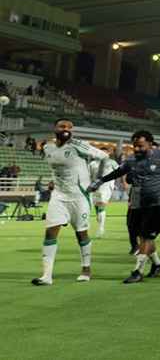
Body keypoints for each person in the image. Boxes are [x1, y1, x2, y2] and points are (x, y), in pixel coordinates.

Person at [90, 130, 160, 283]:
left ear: (149, 144)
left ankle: (138, 271)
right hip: (138, 203)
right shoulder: (131, 160)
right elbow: (117, 172)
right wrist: (100, 181)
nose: (137, 149)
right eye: (135, 146)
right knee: (142, 236)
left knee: (147, 236)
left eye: (140, 146)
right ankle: (157, 264)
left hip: (157, 204)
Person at [31, 118, 110, 286]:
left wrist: (98, 181)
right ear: (55, 128)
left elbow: (105, 157)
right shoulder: (48, 147)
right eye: (62, 126)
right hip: (58, 196)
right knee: (50, 233)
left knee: (81, 233)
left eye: (69, 127)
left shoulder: (78, 145)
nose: (66, 129)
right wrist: (53, 181)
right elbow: (56, 166)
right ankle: (46, 276)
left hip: (79, 196)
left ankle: (86, 269)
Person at [88, 146, 119, 238]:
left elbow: (119, 172)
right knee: (97, 207)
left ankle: (101, 228)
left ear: (108, 153)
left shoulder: (112, 162)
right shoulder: (92, 164)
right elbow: (89, 175)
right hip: (94, 186)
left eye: (105, 152)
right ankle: (100, 221)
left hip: (106, 186)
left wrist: (119, 183)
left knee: (101, 205)